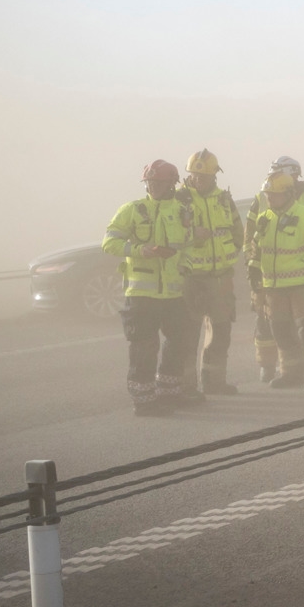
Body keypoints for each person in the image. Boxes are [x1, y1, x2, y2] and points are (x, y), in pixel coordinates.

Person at [101, 160, 194, 416]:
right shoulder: (132, 210)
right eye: (150, 183)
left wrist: (185, 266)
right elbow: (109, 243)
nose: (153, 187)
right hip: (141, 295)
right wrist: (140, 250)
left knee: (179, 342)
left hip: (172, 294)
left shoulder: (182, 211)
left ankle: (170, 393)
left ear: (172, 184)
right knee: (144, 347)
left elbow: (187, 246)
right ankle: (144, 401)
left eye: (159, 183)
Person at [245, 172, 304, 392]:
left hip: (302, 286)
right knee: (281, 331)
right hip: (274, 289)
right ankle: (290, 373)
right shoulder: (264, 219)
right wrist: (254, 272)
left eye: (274, 195)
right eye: (267, 195)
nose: (269, 199)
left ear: (288, 194)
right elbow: (256, 249)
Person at [178, 149, 244, 398]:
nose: (199, 179)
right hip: (191, 279)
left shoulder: (224, 200)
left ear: (215, 175)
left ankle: (214, 382)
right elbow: (168, 237)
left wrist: (229, 258)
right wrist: (191, 237)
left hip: (220, 279)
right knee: (187, 335)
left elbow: (239, 234)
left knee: (221, 332)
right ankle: (186, 387)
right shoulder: (178, 201)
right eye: (195, 175)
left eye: (204, 176)